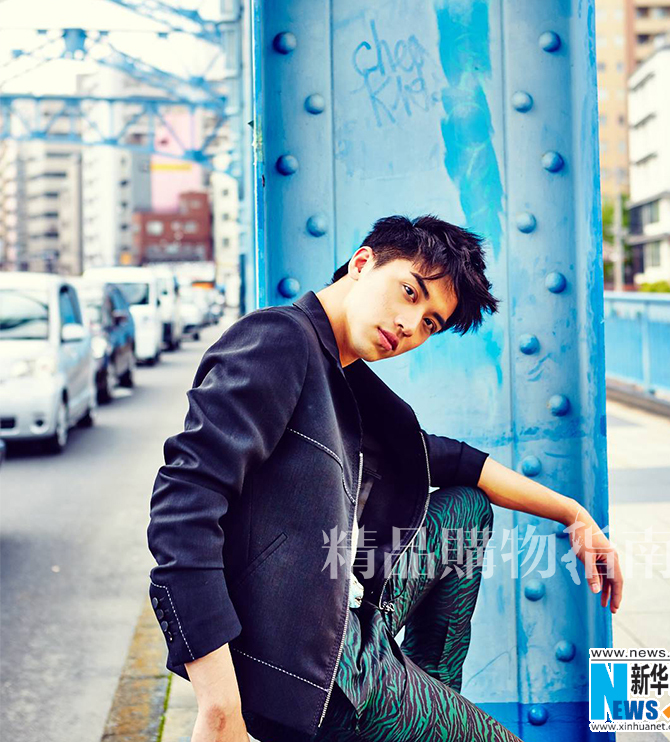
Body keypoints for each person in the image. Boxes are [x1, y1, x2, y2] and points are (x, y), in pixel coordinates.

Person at [146, 214, 623, 742]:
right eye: (409, 292)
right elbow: (183, 505)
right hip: (319, 672)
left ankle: (428, 704)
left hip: (347, 612)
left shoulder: (343, 377)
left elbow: (455, 461)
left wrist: (573, 515)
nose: (411, 324)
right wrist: (219, 705)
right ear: (362, 262)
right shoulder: (280, 340)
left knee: (466, 509)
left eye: (431, 323)